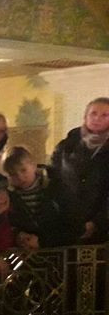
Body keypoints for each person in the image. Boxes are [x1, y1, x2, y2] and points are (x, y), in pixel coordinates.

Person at [49, 97, 109, 244]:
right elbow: (53, 180)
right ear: (85, 116)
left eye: (104, 115)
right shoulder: (66, 146)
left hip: (101, 229)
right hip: (64, 224)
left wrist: (97, 223)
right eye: (93, 113)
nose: (97, 118)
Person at [2, 146, 73, 249]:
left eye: (23, 170)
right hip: (26, 253)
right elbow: (7, 224)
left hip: (59, 251)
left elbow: (74, 226)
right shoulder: (9, 197)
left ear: (33, 166)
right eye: (13, 174)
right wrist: (18, 235)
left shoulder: (57, 187)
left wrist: (43, 241)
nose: (20, 177)